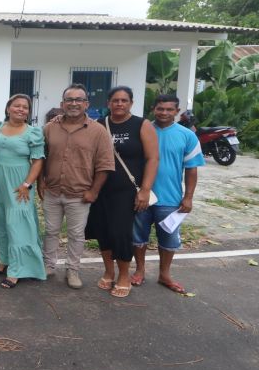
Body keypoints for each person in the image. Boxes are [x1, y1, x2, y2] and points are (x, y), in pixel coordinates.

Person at [84, 86, 159, 298]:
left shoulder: (141, 125)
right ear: (108, 103)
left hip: (126, 192)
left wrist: (145, 190)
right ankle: (108, 271)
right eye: (115, 100)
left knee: (121, 233)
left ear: (131, 103)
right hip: (100, 189)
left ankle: (124, 275)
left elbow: (153, 159)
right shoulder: (99, 125)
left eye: (124, 100)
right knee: (102, 232)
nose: (119, 104)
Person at [40, 84, 114, 289]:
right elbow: (41, 158)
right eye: (69, 100)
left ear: (86, 104)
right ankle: (48, 265)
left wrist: (94, 191)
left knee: (76, 235)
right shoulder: (49, 128)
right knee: (50, 231)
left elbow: (105, 165)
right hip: (53, 191)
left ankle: (72, 270)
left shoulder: (98, 131)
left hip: (80, 195)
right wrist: (41, 182)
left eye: (78, 100)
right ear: (62, 103)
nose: (73, 103)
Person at [132, 94, 204, 294]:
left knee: (169, 240)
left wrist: (188, 197)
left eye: (169, 109)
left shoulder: (187, 136)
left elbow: (191, 169)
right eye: (160, 108)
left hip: (171, 199)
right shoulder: (142, 130)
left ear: (177, 111)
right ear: (153, 108)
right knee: (138, 237)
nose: (164, 113)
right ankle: (139, 270)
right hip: (142, 196)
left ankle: (165, 274)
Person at [0, 94, 45, 288]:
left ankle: (17, 270)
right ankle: (5, 261)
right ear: (8, 108)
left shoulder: (33, 132)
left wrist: (27, 184)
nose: (21, 109)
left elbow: (38, 160)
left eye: (25, 107)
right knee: (1, 220)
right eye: (17, 106)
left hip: (20, 184)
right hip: (0, 182)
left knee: (18, 224)